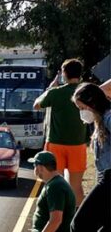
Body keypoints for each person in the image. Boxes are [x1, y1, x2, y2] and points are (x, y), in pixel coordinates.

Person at [66, 83, 110, 232]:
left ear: (92, 104)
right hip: (105, 177)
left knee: (81, 224)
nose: (82, 113)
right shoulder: (102, 120)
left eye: (82, 107)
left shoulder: (109, 117)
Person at [34, 58, 87, 204]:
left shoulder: (55, 93)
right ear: (80, 74)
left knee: (54, 185)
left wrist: (49, 89)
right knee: (76, 187)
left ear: (64, 74)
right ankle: (78, 220)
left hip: (55, 144)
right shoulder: (86, 92)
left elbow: (36, 105)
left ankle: (56, 218)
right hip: (78, 145)